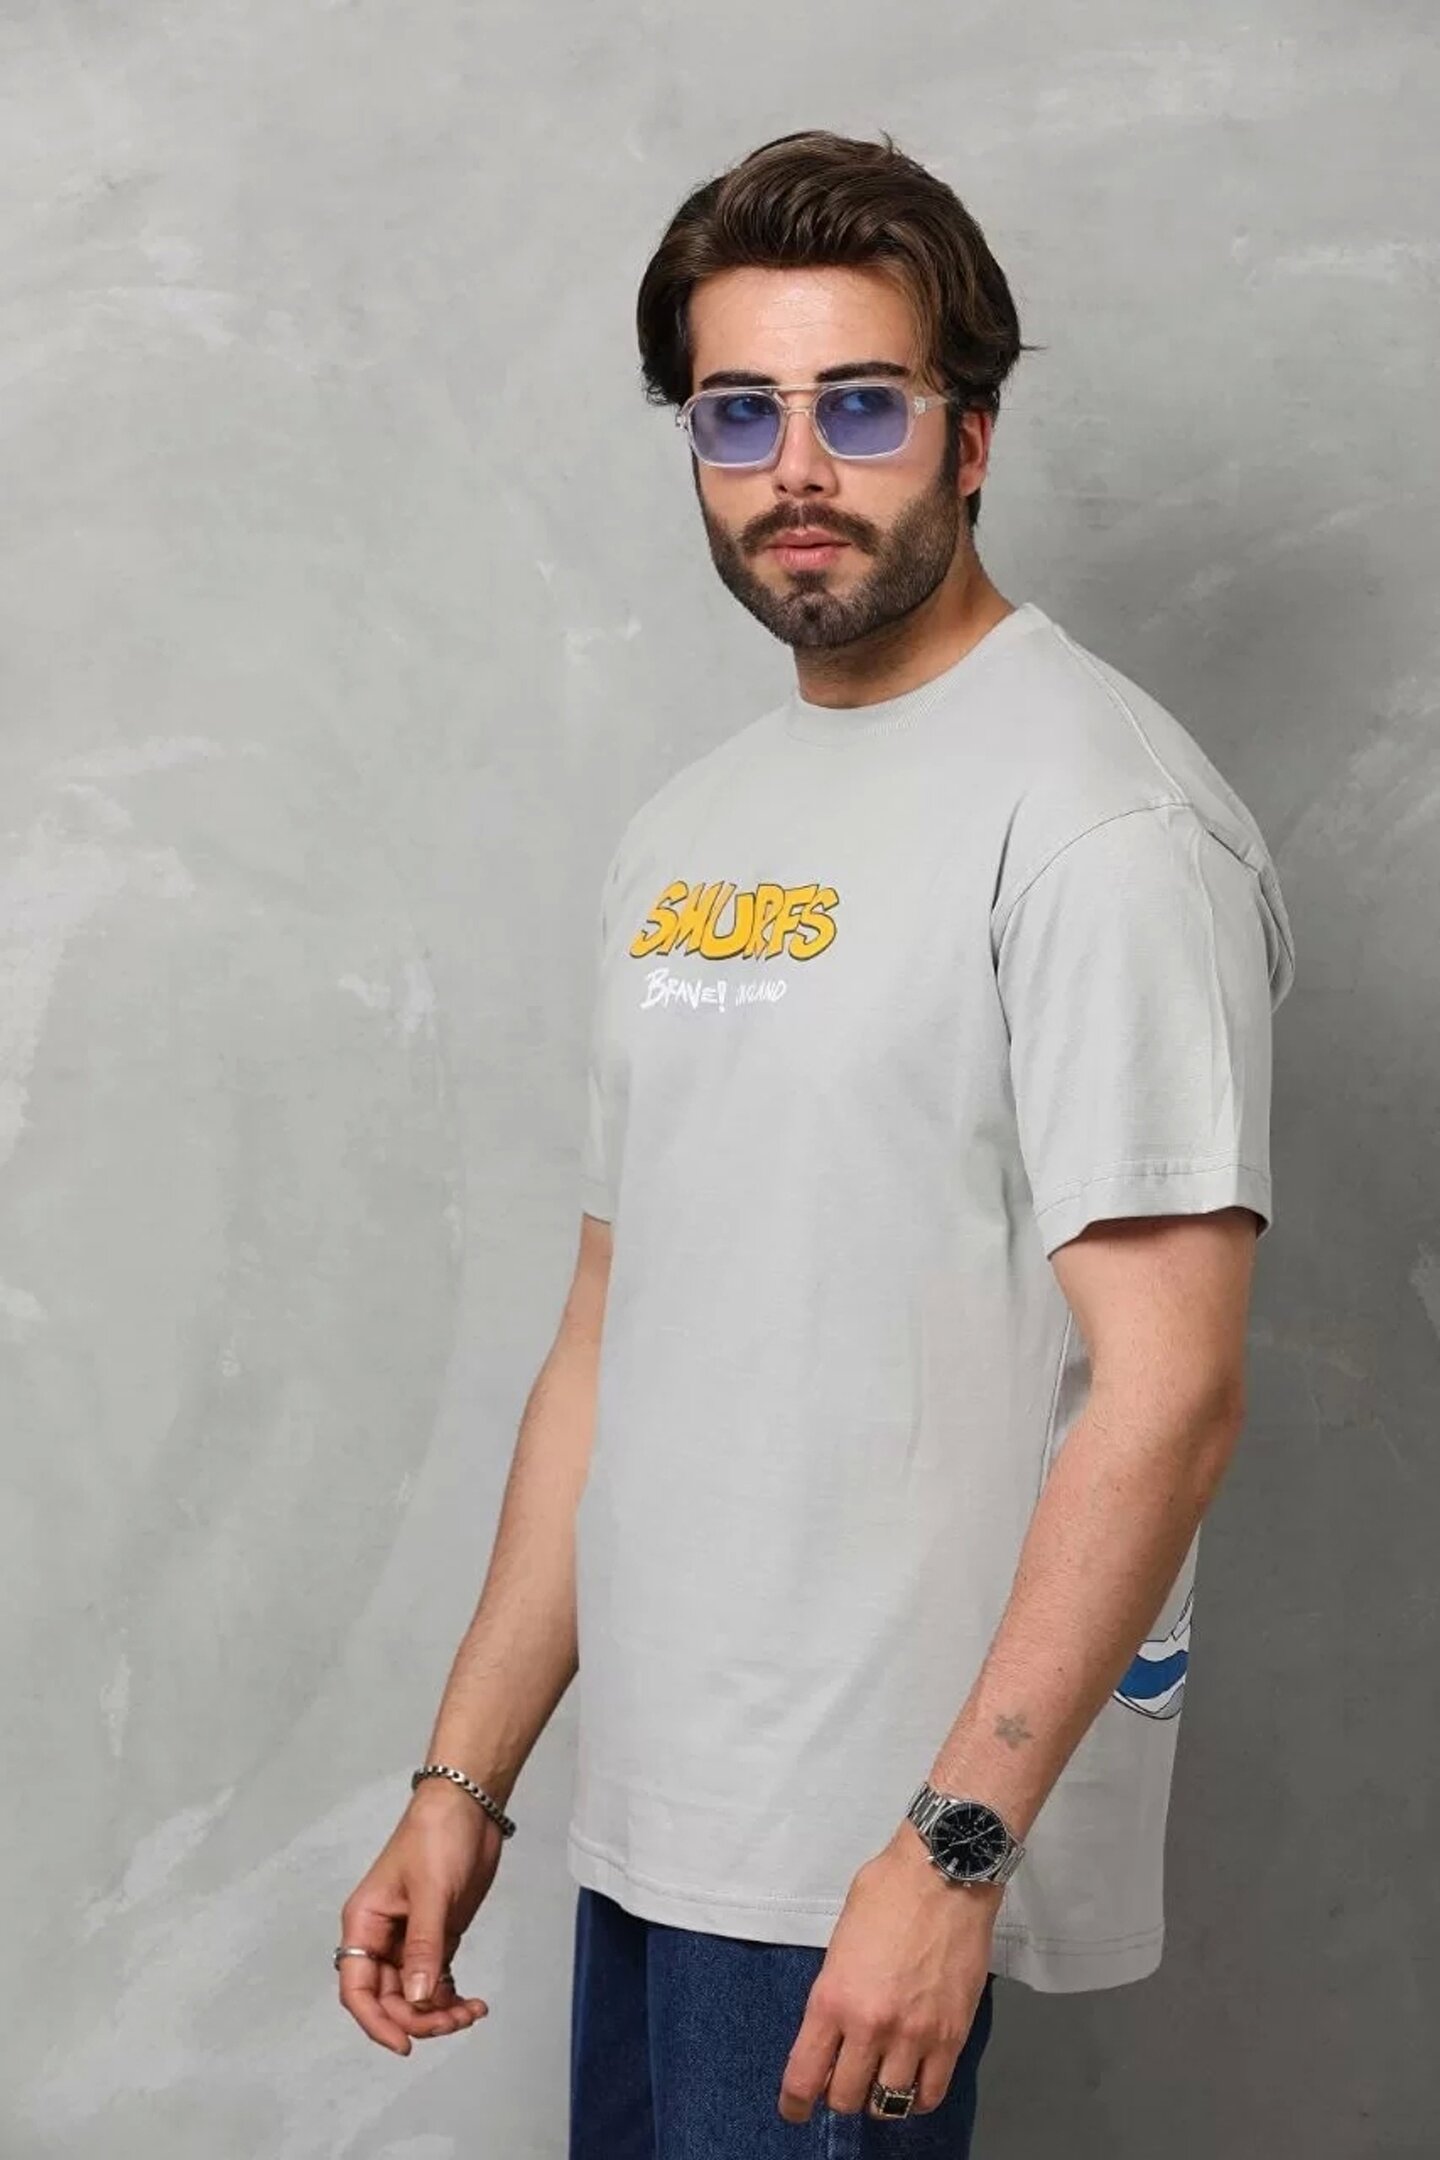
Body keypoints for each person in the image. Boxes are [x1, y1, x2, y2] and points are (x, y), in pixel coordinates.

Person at [335, 128, 1296, 2156]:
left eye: (859, 406)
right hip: (652, 1824)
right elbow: (609, 1341)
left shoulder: (1100, 820)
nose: (795, 469)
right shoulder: (686, 832)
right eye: (737, 412)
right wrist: (465, 1781)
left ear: (970, 437)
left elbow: (1172, 1394)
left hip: (868, 1860)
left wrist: (949, 1856)